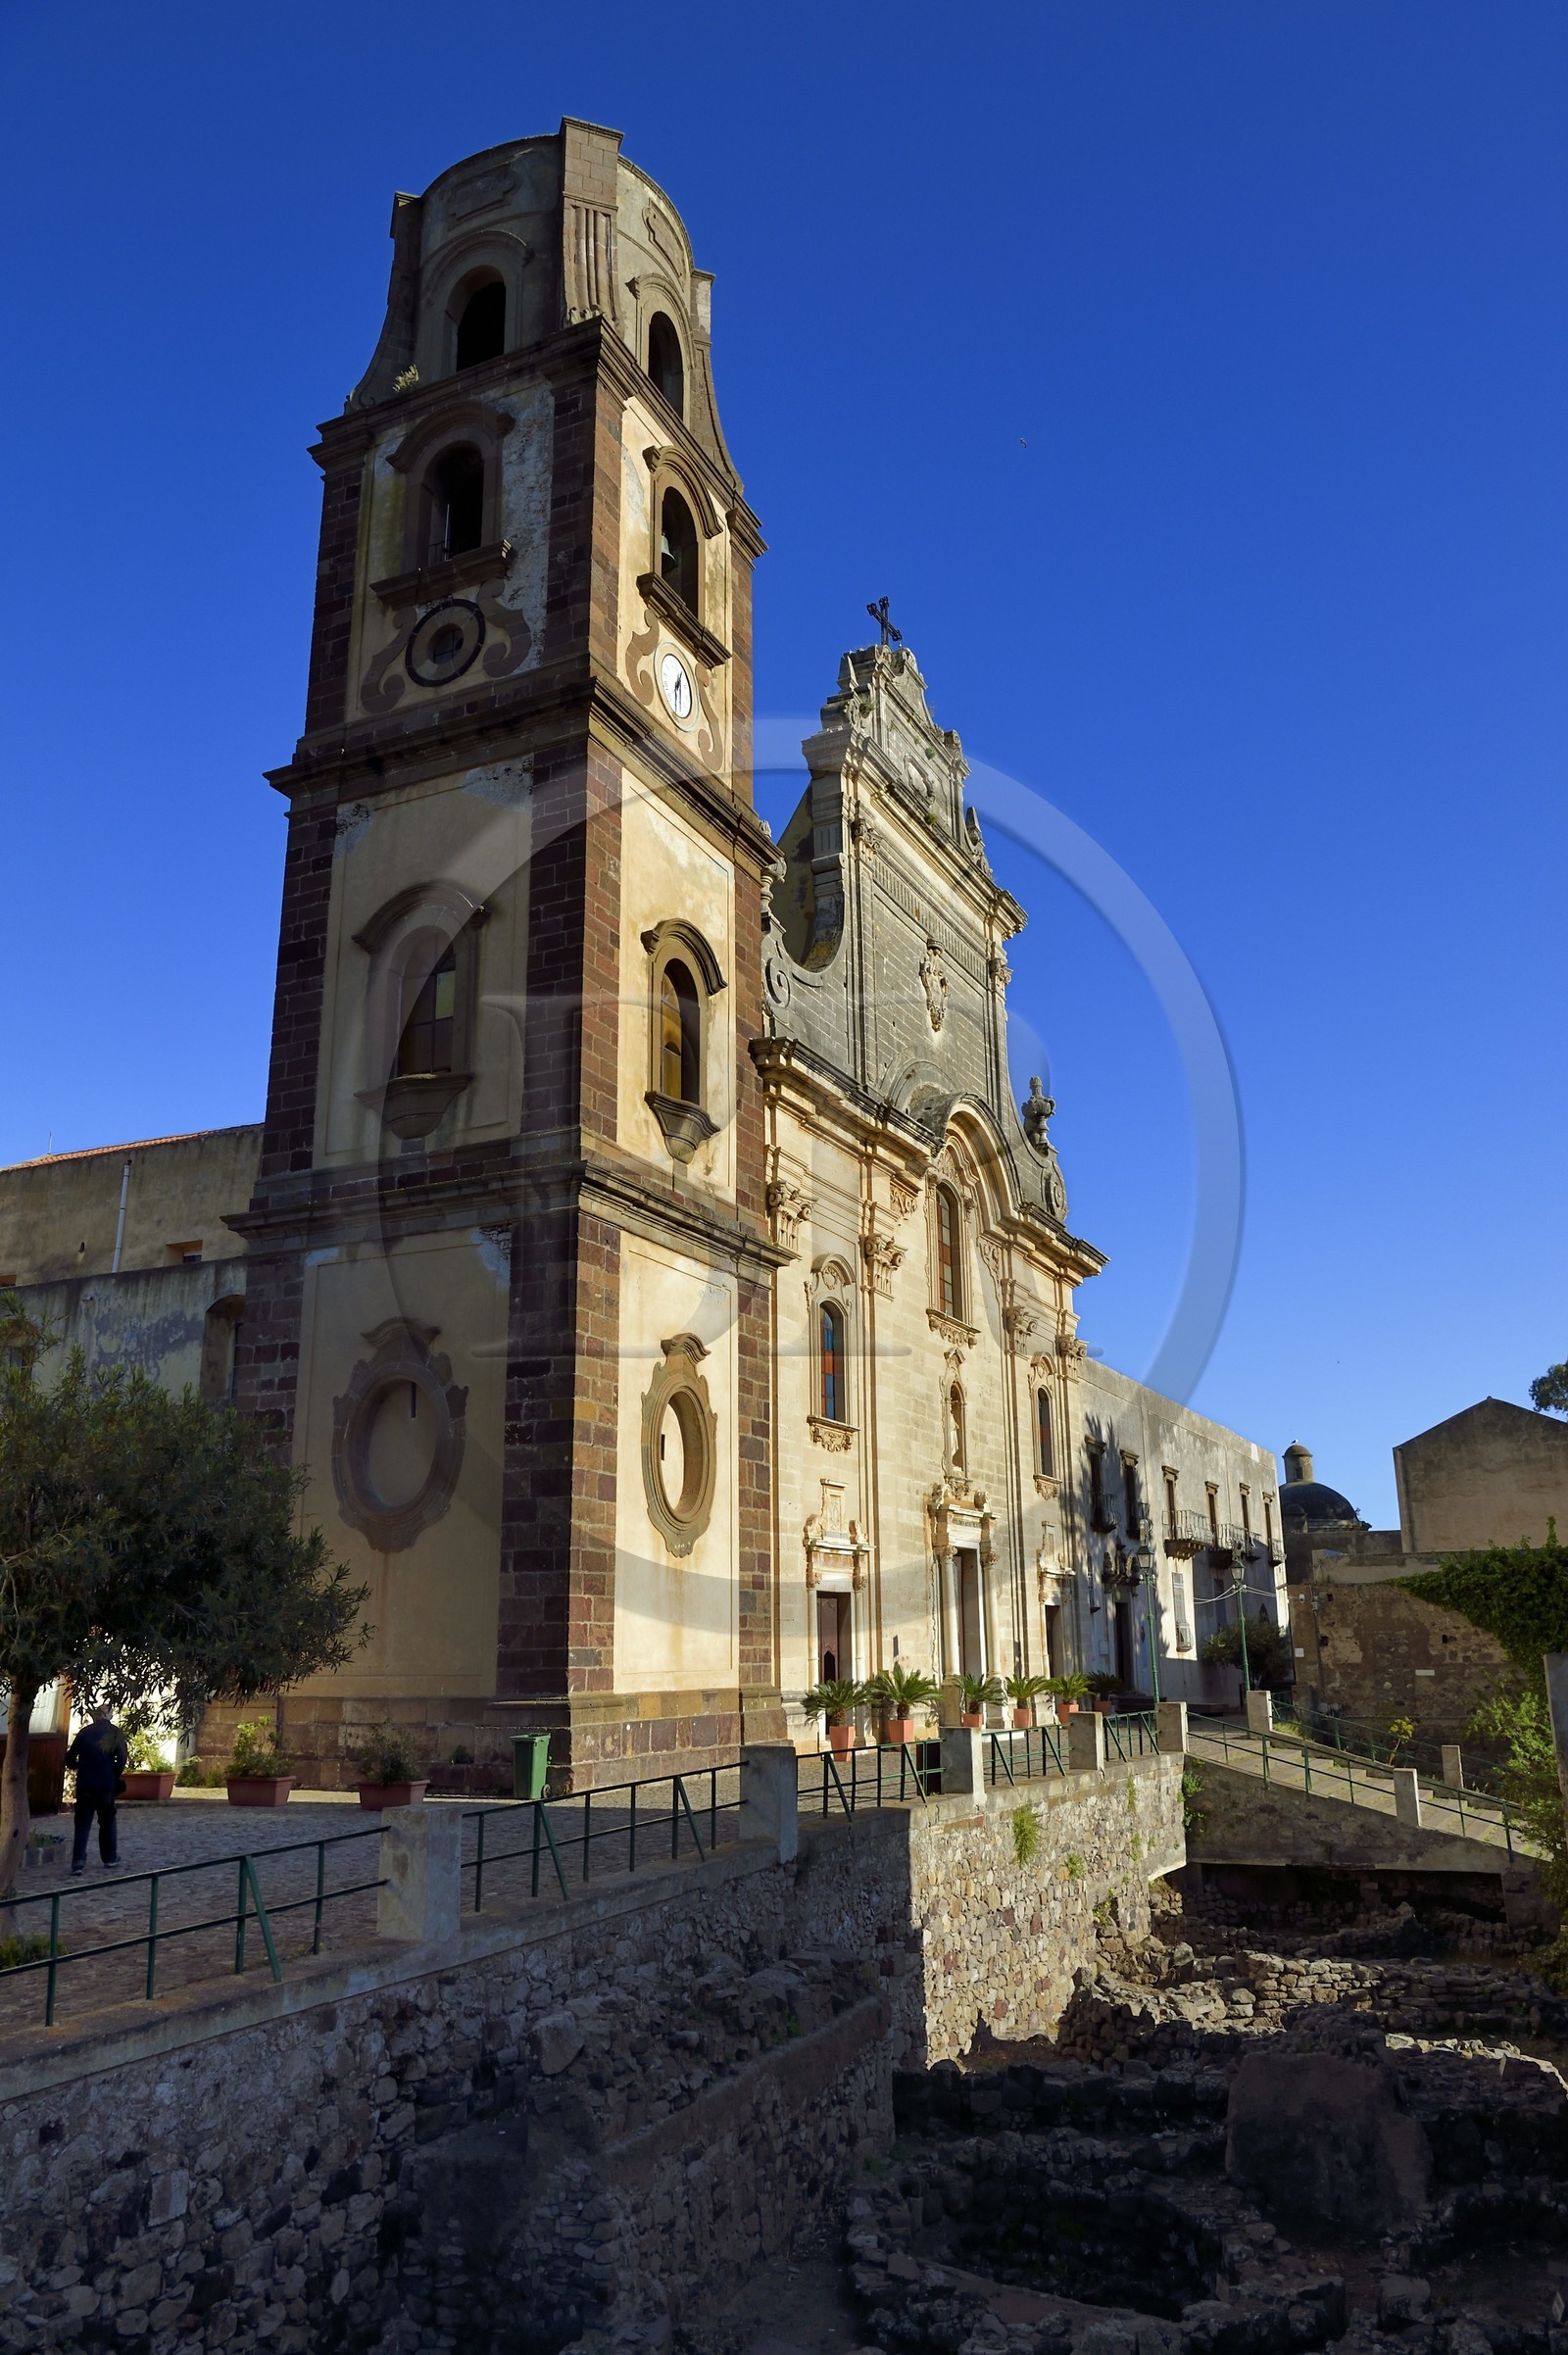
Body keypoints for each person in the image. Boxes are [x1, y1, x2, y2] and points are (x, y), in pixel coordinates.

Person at [65, 1705, 129, 1874]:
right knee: (107, 1820)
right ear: (108, 1716)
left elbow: (70, 1758)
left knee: (82, 1822)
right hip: (105, 1783)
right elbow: (122, 1758)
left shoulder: (84, 1732)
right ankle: (109, 1858)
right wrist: (113, 1774)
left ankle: (77, 1862)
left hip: (85, 1783)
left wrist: (81, 1766)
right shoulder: (115, 1733)